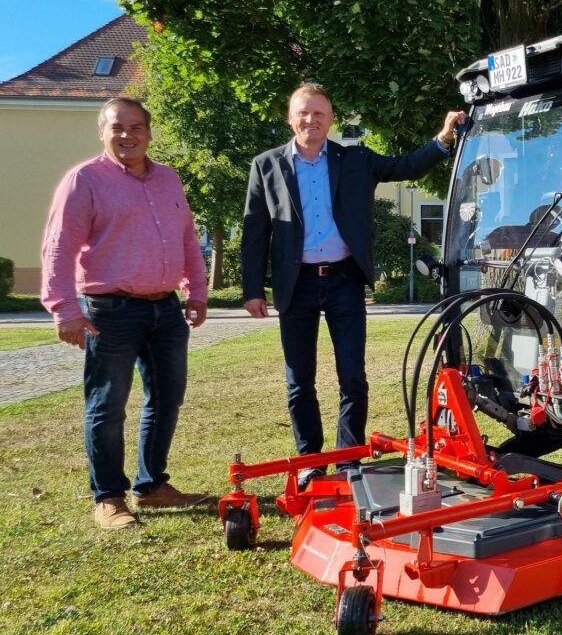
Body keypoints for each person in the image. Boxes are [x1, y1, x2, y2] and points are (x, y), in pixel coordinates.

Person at [242, 83, 464, 486]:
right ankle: (310, 459)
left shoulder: (356, 160)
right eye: (303, 113)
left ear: (330, 120)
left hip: (344, 280)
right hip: (297, 285)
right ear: (291, 118)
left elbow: (406, 166)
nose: (311, 120)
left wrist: (443, 138)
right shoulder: (266, 165)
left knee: (353, 376)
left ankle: (348, 458)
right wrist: (253, 290)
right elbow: (255, 231)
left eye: (319, 114)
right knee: (299, 380)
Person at [41, 97, 210, 530]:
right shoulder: (85, 180)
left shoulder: (168, 179)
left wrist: (196, 291)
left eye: (136, 127)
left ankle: (151, 485)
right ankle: (109, 498)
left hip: (165, 310)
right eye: (118, 127)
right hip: (109, 310)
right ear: (103, 132)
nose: (127, 135)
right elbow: (58, 248)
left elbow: (187, 238)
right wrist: (64, 309)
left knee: (167, 398)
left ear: (150, 133)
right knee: (107, 404)